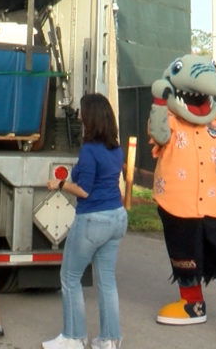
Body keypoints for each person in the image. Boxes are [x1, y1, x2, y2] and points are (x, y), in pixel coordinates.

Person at [147, 54, 216, 343]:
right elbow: (158, 136)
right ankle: (191, 304)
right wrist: (160, 103)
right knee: (183, 255)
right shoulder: (169, 120)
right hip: (177, 203)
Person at [42, 94, 128, 349]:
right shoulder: (116, 148)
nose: (79, 115)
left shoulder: (90, 150)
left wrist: (59, 184)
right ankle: (110, 340)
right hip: (116, 217)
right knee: (107, 281)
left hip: (92, 220)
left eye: (82, 112)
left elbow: (84, 190)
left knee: (70, 277)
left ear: (90, 117)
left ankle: (73, 337)